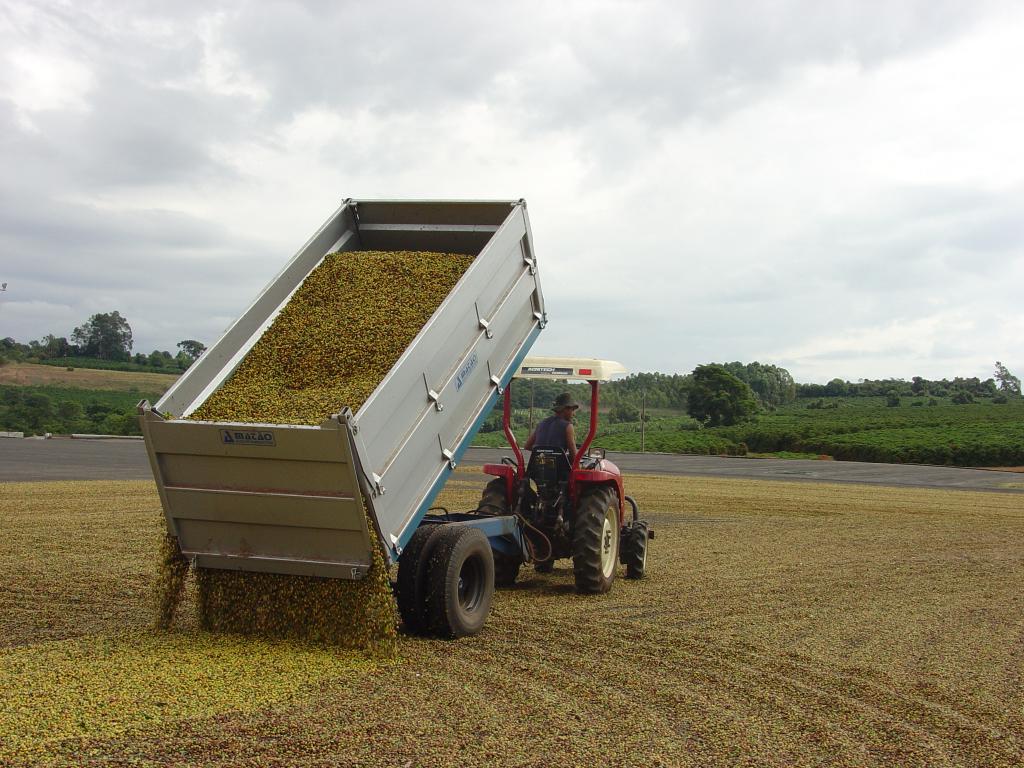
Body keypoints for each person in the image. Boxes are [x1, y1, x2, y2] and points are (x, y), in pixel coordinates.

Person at [524, 392, 579, 463]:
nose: (573, 414)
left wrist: (544, 453)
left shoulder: (541, 423)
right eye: (572, 410)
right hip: (558, 472)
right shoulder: (568, 426)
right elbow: (574, 456)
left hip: (537, 470)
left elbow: (527, 446)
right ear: (565, 409)